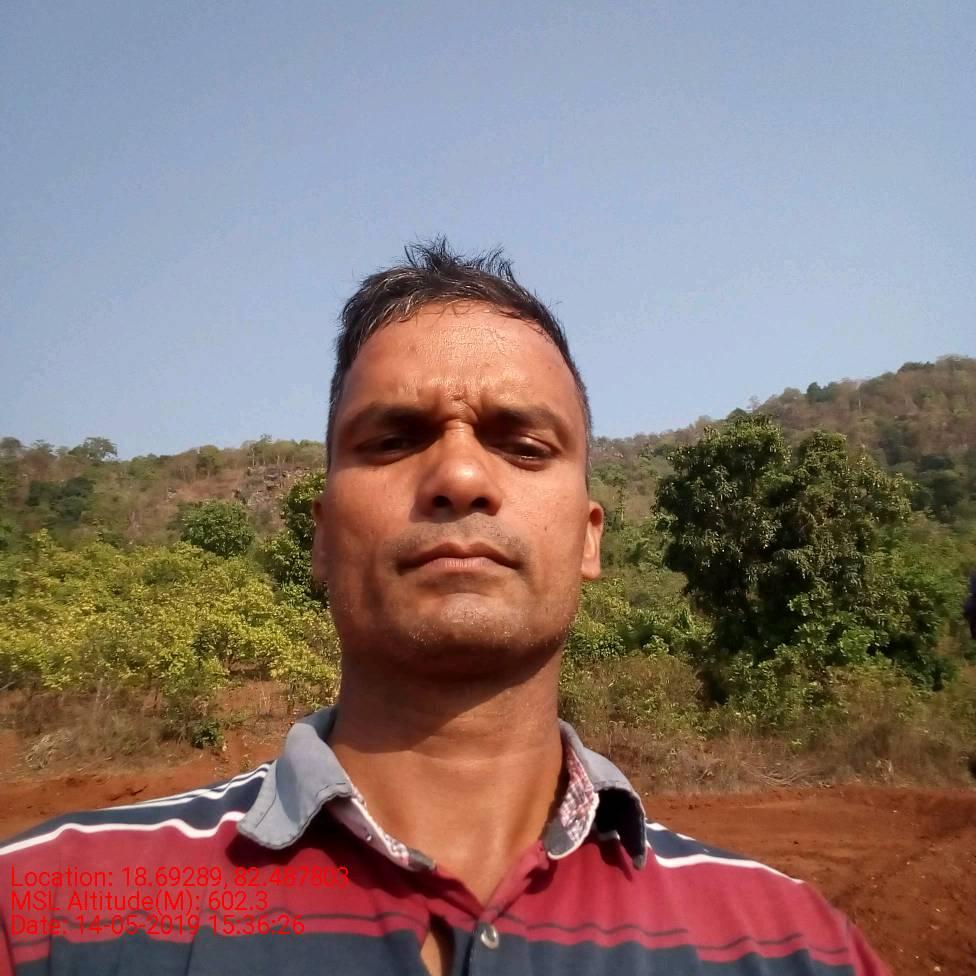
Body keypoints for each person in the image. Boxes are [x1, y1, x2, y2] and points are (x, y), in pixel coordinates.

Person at [0, 241, 889, 975]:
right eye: (393, 440)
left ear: (590, 539)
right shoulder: (47, 914)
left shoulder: (792, 947)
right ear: (320, 536)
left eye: (523, 445)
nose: (460, 476)